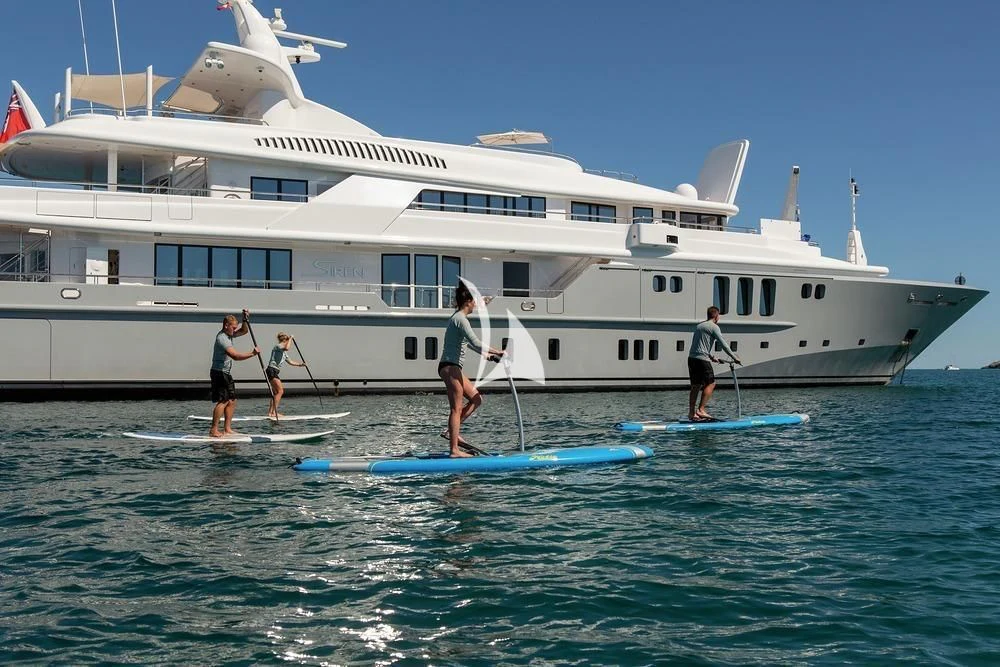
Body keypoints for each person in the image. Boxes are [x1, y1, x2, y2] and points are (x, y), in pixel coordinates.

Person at [438, 282, 504, 457]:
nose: (475, 305)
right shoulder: (460, 319)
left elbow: (468, 344)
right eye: (474, 301)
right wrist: (498, 350)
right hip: (450, 367)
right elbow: (475, 342)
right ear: (468, 301)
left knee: (476, 398)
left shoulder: (458, 319)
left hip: (453, 368)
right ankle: (454, 450)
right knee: (456, 409)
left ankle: (451, 432)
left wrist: (488, 356)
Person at [209, 309, 261, 437]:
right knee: (223, 400)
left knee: (232, 400)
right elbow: (236, 356)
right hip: (219, 373)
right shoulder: (222, 338)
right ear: (226, 325)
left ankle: (227, 429)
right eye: (233, 328)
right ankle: (213, 430)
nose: (234, 330)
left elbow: (244, 331)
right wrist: (252, 353)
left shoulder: (229, 334)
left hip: (226, 373)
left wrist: (245, 319)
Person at [688, 306, 740, 422]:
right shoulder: (714, 327)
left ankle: (691, 413)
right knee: (711, 384)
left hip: (692, 358)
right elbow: (724, 345)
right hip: (702, 360)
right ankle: (701, 410)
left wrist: (711, 356)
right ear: (716, 316)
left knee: (695, 385)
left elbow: (699, 345)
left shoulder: (699, 326)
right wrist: (734, 357)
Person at [266, 332, 306, 418]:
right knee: (280, 391)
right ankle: (274, 412)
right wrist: (291, 338)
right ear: (285, 340)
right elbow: (287, 347)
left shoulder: (284, 352)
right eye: (287, 341)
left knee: (276, 392)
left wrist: (300, 364)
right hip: (271, 370)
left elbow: (290, 362)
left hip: (274, 371)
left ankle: (270, 412)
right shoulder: (278, 346)